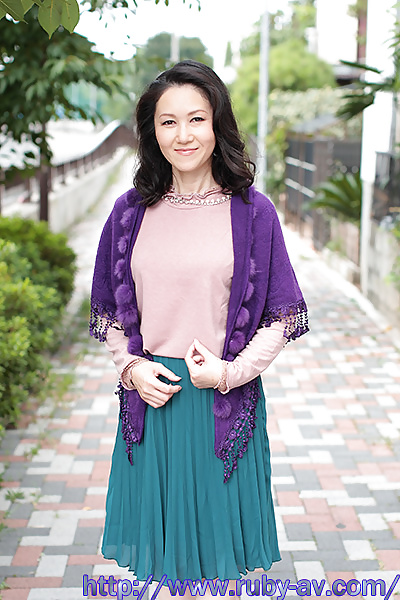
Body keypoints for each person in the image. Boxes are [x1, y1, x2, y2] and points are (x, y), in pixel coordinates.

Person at [90, 60, 309, 596]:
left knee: (218, 566)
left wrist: (230, 373)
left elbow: (282, 316)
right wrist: (131, 368)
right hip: (152, 402)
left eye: (196, 119)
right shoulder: (128, 213)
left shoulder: (254, 213)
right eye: (168, 122)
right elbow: (109, 312)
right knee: (164, 567)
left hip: (221, 404)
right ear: (152, 131)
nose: (183, 135)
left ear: (217, 124)